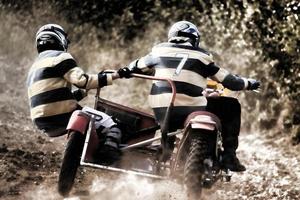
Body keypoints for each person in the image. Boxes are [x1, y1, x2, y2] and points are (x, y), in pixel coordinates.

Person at [120, 21, 260, 172]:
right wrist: (248, 83)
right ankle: (229, 156)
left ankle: (165, 148)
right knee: (231, 105)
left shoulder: (157, 51)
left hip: (161, 108)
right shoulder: (202, 56)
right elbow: (230, 81)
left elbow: (132, 66)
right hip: (189, 108)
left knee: (171, 114)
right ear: (194, 39)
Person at [27, 24, 130, 162]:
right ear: (60, 39)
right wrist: (117, 75)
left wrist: (82, 93)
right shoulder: (60, 56)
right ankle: (108, 156)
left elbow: (52, 97)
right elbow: (83, 81)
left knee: (90, 119)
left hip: (41, 121)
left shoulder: (34, 67)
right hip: (63, 116)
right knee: (112, 125)